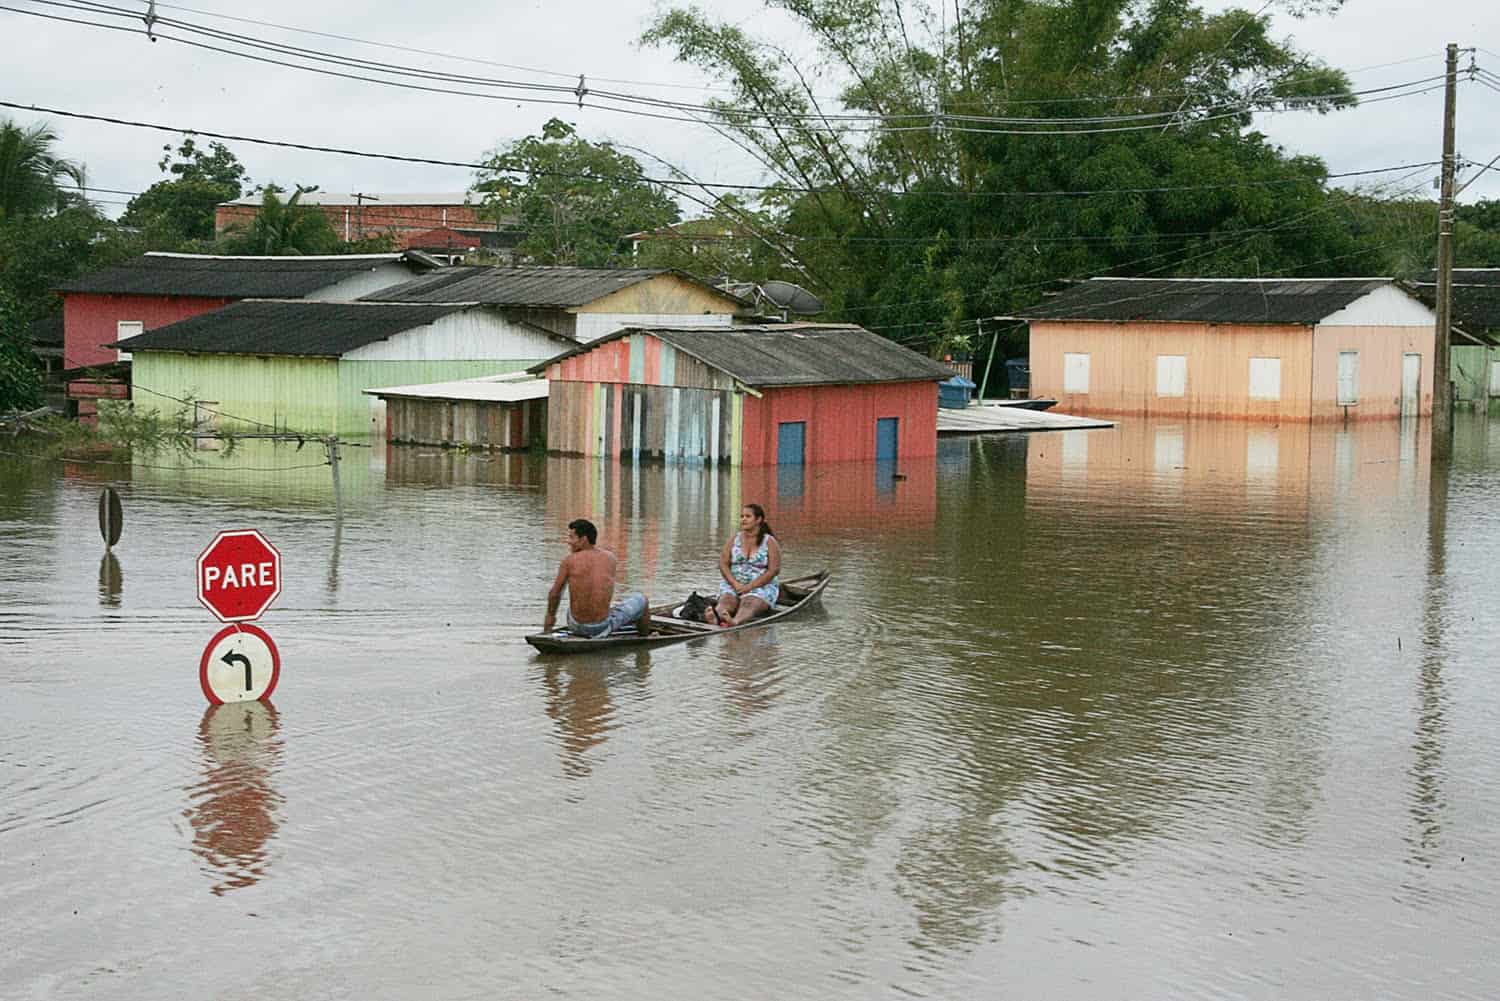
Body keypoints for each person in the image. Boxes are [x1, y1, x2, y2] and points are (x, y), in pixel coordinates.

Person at [543, 518, 651, 638]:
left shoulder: (569, 561)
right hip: (601, 626)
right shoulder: (611, 558)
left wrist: (549, 620)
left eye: (572, 538)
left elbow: (555, 594)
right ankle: (645, 637)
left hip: (576, 625)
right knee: (643, 600)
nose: (568, 542)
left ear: (583, 539)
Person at [705, 503, 781, 627]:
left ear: (758, 519)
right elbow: (723, 564)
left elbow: (773, 570)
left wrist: (749, 587)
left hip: (761, 587)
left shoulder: (770, 542)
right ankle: (716, 618)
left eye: (747, 516)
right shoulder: (734, 539)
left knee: (749, 602)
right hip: (734, 583)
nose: (743, 519)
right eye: (742, 516)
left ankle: (735, 621)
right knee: (726, 601)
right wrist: (735, 584)